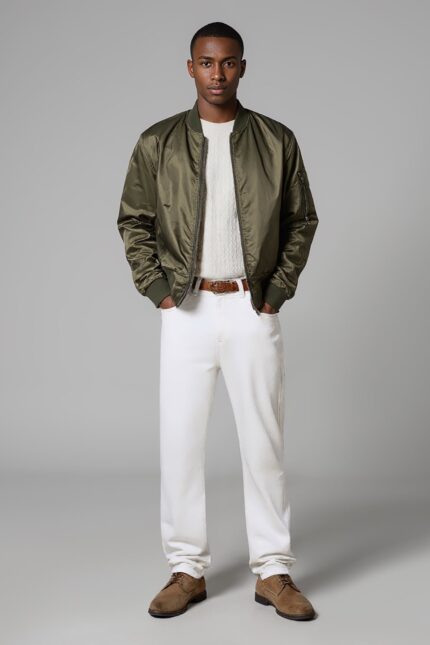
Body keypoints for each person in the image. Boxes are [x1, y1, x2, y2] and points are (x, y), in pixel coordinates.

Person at [117, 21, 319, 621]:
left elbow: (302, 219)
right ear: (190, 68)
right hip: (187, 308)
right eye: (207, 63)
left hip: (253, 307)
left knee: (264, 444)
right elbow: (134, 220)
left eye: (228, 63)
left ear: (242, 68)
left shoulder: (276, 140)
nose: (218, 74)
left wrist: (276, 292)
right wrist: (159, 291)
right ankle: (186, 569)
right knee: (180, 441)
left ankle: (273, 571)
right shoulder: (158, 142)